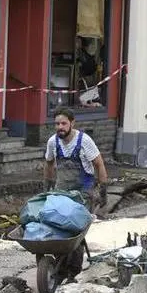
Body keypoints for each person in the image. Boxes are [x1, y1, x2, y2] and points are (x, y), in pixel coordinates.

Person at [43, 108, 108, 283]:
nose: (60, 127)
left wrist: (102, 190)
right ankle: (60, 268)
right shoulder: (53, 142)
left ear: (72, 123)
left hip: (83, 191)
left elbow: (99, 164)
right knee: (57, 225)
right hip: (62, 190)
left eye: (64, 123)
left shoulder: (84, 141)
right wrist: (47, 188)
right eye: (57, 124)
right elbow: (49, 164)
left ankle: (73, 271)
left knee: (75, 229)